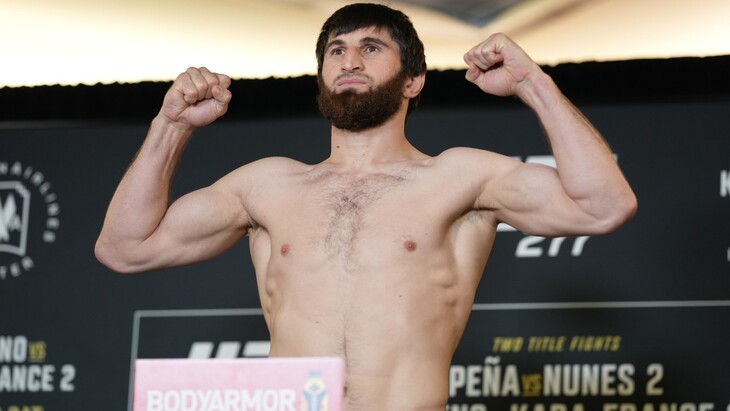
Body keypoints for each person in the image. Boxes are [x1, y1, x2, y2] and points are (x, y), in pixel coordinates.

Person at [95, 3, 637, 410]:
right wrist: (170, 125)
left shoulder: (460, 177)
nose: (349, 60)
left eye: (371, 48)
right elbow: (125, 248)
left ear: (413, 81)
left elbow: (603, 206)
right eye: (336, 50)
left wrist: (533, 84)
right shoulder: (265, 186)